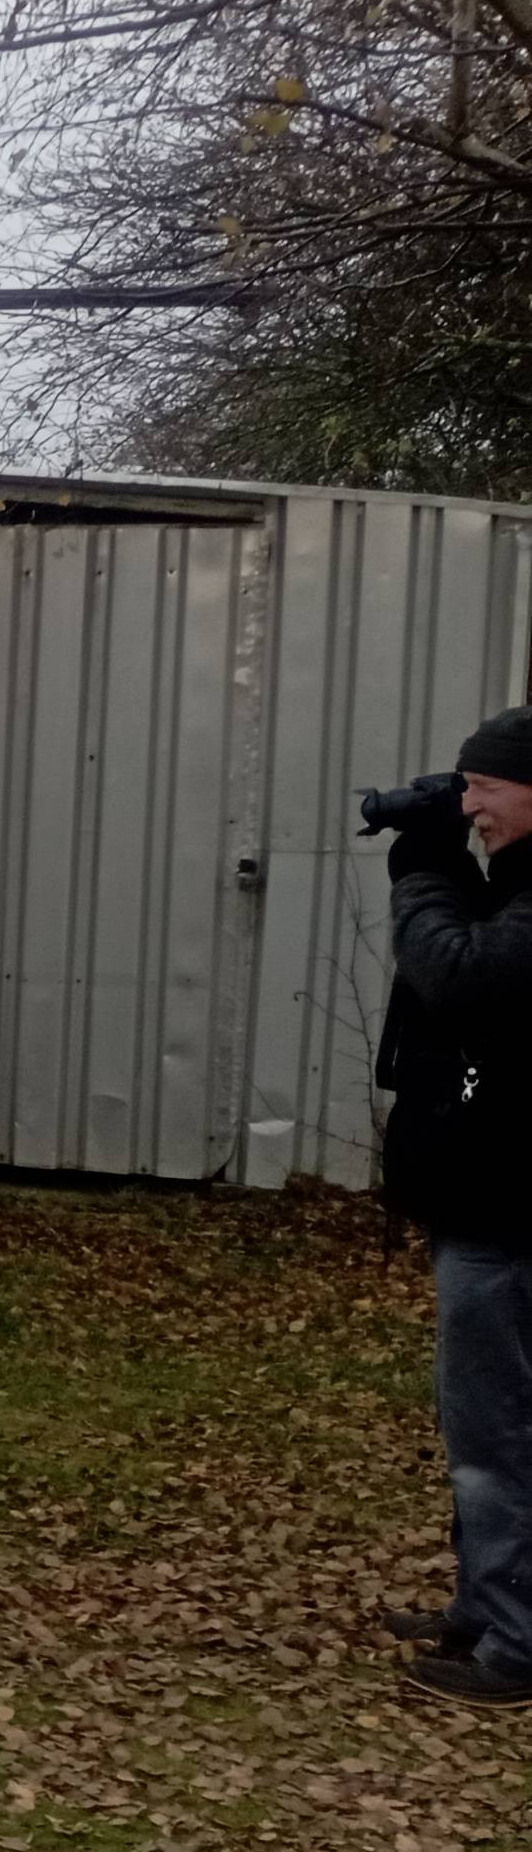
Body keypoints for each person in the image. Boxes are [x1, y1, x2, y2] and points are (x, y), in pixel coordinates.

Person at [380, 704, 532, 1712]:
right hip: (491, 1203)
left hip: (511, 1213)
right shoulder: (520, 885)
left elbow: (465, 975)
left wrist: (422, 870)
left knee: (500, 1436)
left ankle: (515, 1648)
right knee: (485, 1429)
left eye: (485, 786)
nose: (469, 803)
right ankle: (486, 1610)